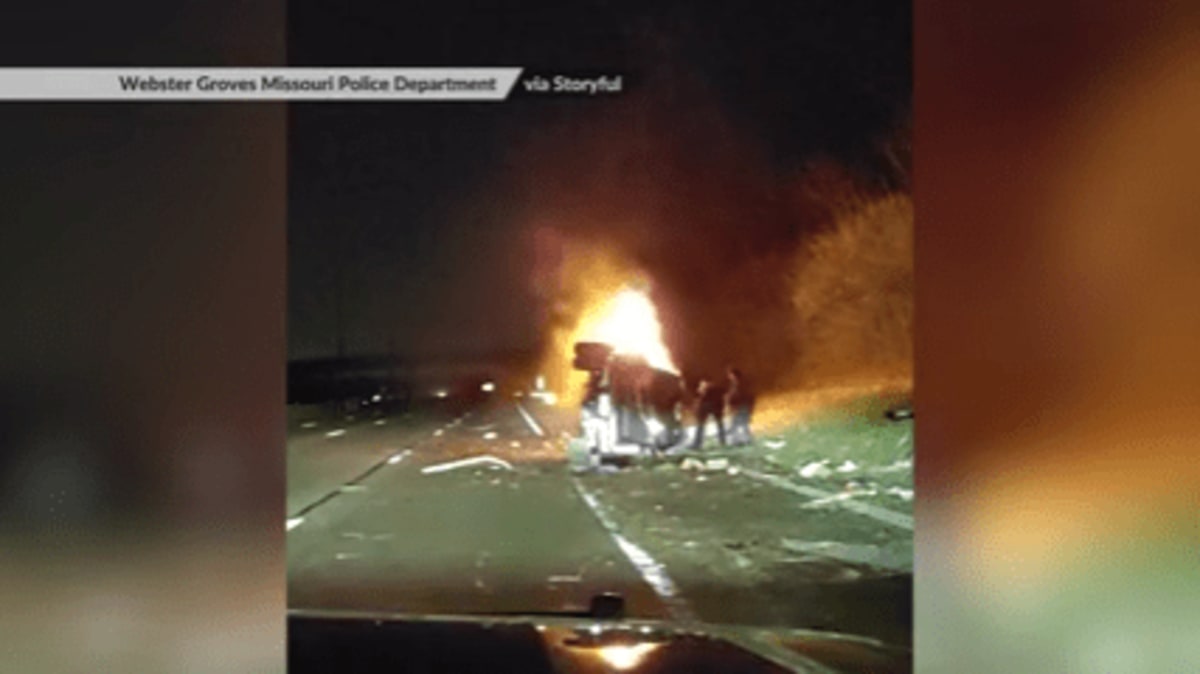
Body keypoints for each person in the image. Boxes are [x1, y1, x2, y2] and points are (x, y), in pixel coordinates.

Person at [691, 378, 727, 450]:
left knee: (701, 425)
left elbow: (700, 394)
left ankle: (697, 443)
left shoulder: (706, 387)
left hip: (707, 405)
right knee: (719, 424)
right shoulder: (718, 387)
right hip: (716, 405)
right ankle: (722, 441)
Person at [726, 367, 756, 446]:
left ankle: (736, 441)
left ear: (733, 375)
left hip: (740, 408)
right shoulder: (740, 384)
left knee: (735, 425)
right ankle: (746, 440)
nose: (729, 377)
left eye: (730, 375)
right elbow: (750, 396)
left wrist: (730, 400)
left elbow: (738, 396)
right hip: (743, 407)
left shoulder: (738, 385)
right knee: (743, 424)